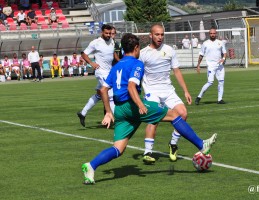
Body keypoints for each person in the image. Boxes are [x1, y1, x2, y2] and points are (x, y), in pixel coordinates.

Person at [81, 33, 217, 184]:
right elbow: (132, 87)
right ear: (136, 48)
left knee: (118, 148)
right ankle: (201, 144)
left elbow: (103, 90)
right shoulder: (137, 63)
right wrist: (140, 104)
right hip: (132, 105)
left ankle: (91, 166)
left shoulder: (117, 66)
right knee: (174, 114)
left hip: (119, 110)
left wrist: (108, 112)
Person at [139, 24, 192, 163]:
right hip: (152, 91)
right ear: (150, 35)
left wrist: (185, 91)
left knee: (183, 113)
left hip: (168, 90)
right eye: (157, 34)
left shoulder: (170, 50)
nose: (160, 37)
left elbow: (177, 71)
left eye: (162, 34)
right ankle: (148, 152)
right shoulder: (143, 53)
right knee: (153, 119)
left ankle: (173, 144)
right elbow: (136, 75)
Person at [77, 24, 115, 127]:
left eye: (109, 33)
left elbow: (112, 56)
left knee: (99, 95)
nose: (108, 35)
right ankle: (115, 118)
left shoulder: (112, 41)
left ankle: (82, 113)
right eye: (106, 33)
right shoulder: (96, 43)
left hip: (109, 72)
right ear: (102, 32)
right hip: (101, 72)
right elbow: (84, 54)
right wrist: (92, 63)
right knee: (110, 94)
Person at [195, 28, 227, 105]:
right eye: (211, 33)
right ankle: (199, 97)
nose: (212, 35)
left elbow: (225, 53)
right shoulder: (205, 43)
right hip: (211, 66)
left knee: (221, 82)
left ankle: (220, 99)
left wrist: (223, 59)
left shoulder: (220, 43)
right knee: (210, 82)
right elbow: (201, 55)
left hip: (220, 66)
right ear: (209, 34)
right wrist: (198, 65)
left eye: (214, 33)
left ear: (216, 34)